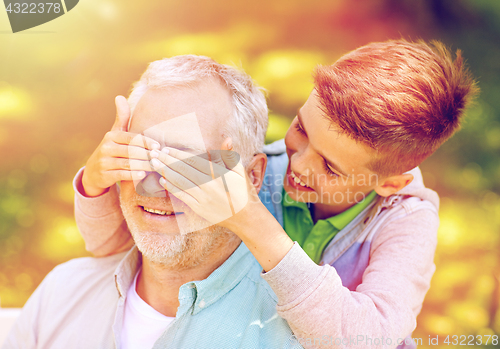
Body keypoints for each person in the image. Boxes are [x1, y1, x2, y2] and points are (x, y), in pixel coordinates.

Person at [73, 40, 478, 348]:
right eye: (301, 130)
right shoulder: (255, 172)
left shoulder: (405, 221)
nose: (298, 165)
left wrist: (251, 221)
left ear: (389, 183)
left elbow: (368, 337)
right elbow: (111, 245)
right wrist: (95, 182)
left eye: (330, 168)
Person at [3, 56, 302, 349]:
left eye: (183, 161)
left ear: (252, 176)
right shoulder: (62, 292)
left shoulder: (291, 334)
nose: (154, 184)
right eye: (140, 152)